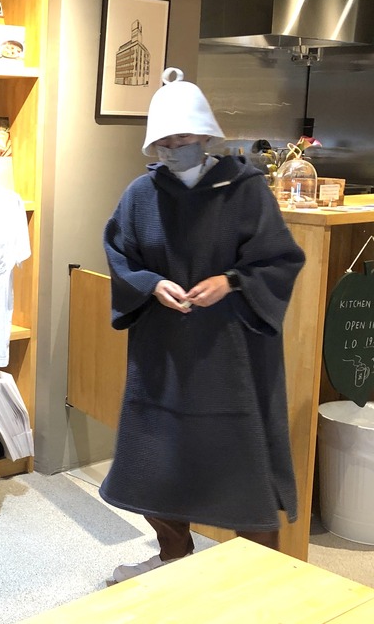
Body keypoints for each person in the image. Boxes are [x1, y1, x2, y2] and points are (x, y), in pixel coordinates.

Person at [100, 68, 306, 583]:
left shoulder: (245, 190)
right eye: (166, 143)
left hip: (232, 351)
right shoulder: (140, 195)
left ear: (206, 134)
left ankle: (263, 577)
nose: (176, 150)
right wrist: (152, 284)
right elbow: (120, 253)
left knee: (242, 462)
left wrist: (231, 281)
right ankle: (172, 553)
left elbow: (280, 258)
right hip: (163, 350)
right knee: (154, 457)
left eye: (185, 139)